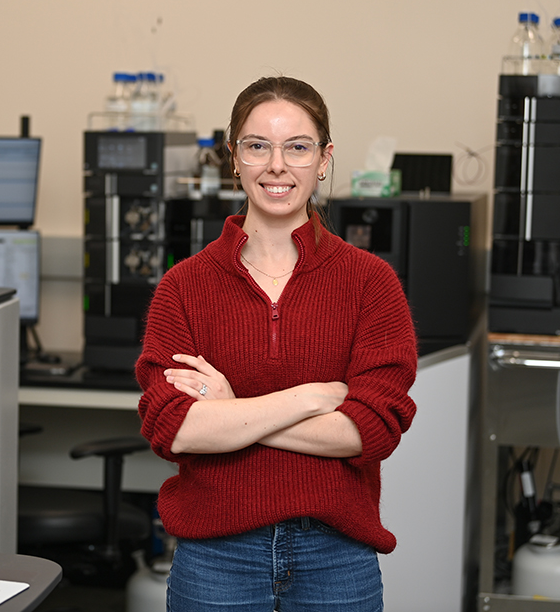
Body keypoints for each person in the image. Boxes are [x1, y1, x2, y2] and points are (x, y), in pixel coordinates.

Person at [135, 76, 418, 612]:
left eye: (298, 147)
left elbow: (369, 430)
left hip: (336, 555)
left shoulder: (370, 283)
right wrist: (310, 398)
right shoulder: (185, 286)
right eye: (257, 146)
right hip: (217, 557)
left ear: (325, 158)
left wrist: (231, 415)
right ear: (233, 156)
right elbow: (173, 427)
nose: (277, 166)